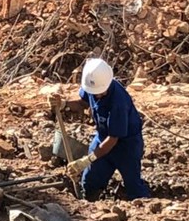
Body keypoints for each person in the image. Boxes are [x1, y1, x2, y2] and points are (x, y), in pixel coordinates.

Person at [54, 58, 150, 200]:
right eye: (95, 92)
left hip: (126, 145)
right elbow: (82, 103)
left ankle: (145, 202)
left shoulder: (118, 102)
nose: (97, 95)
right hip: (102, 137)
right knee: (89, 182)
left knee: (134, 188)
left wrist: (87, 159)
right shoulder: (92, 86)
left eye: (100, 92)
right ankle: (90, 199)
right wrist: (63, 104)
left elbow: (113, 139)